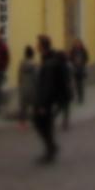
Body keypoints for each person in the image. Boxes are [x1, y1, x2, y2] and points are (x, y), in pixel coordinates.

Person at [31, 36, 69, 164]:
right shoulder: (49, 59)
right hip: (53, 100)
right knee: (45, 124)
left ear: (42, 46)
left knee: (40, 122)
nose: (36, 46)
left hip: (48, 101)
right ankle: (51, 148)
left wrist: (43, 105)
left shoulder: (49, 63)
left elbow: (48, 86)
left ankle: (51, 149)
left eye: (38, 44)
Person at [16, 45, 38, 126]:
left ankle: (22, 122)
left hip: (24, 87)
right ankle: (35, 121)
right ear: (32, 54)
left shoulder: (22, 63)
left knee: (23, 106)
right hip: (32, 87)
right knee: (34, 105)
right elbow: (36, 76)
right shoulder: (34, 64)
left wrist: (20, 84)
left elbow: (19, 76)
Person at [68, 38, 89, 106]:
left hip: (81, 69)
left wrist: (81, 62)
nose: (77, 45)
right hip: (74, 69)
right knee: (75, 84)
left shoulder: (83, 50)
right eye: (76, 43)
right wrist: (74, 62)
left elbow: (86, 58)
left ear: (80, 44)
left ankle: (80, 97)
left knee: (80, 84)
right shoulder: (72, 51)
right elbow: (70, 58)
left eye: (78, 43)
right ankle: (75, 96)